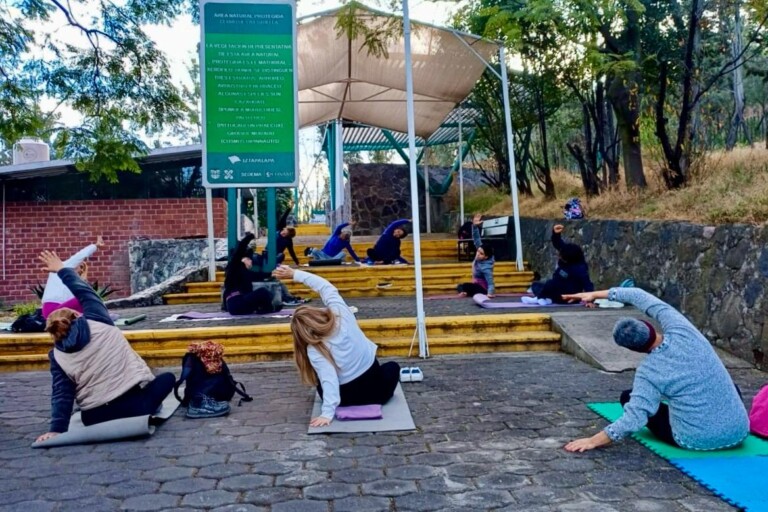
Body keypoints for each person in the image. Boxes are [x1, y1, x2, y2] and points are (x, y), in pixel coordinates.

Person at [562, 287, 749, 452]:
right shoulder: (684, 330)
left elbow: (634, 419)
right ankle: (725, 423)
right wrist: (593, 294)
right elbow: (638, 295)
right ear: (649, 326)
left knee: (628, 397)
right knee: (727, 385)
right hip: (740, 431)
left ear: (633, 349)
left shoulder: (648, 372)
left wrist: (593, 441)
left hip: (696, 440)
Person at [35, 250, 176, 443]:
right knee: (168, 378)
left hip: (93, 418)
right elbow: (85, 294)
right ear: (77, 315)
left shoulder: (57, 355)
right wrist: (62, 269)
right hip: (134, 407)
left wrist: (57, 430)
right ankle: (148, 403)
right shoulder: (99, 320)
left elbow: (62, 393)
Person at [273, 265, 401, 427]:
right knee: (392, 367)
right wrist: (294, 274)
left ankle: (335, 402)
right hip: (374, 393)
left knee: (322, 380)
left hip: (345, 399)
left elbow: (329, 379)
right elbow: (325, 287)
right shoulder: (341, 313)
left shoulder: (314, 348)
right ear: (317, 313)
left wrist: (327, 414)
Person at [522, 224, 593, 305]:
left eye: (560, 256)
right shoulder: (567, 252)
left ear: (568, 259)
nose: (559, 257)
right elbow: (559, 244)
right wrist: (556, 234)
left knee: (550, 283)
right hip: (556, 291)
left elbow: (588, 285)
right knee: (536, 285)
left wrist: (589, 301)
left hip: (569, 297)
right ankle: (547, 298)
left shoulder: (580, 269)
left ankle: (541, 298)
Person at [41, 235, 105, 319]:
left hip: (58, 311)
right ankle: (100, 316)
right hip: (52, 310)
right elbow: (80, 255)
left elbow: (78, 294)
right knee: (88, 297)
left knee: (85, 297)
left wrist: (83, 279)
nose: (80, 270)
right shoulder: (64, 266)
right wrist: (95, 246)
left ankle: (92, 317)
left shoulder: (70, 279)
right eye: (80, 266)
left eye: (82, 268)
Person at [222, 233, 281, 315]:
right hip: (235, 303)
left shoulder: (248, 273)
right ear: (244, 259)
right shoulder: (234, 267)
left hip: (243, 304)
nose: (251, 262)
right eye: (250, 260)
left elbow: (261, 275)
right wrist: (249, 237)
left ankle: (264, 309)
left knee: (264, 293)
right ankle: (268, 309)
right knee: (263, 292)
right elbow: (238, 252)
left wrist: (273, 273)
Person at [456, 213, 495, 298]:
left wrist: (490, 294)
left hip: (483, 288)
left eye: (481, 254)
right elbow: (476, 238)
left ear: (486, 257)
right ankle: (466, 292)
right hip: (476, 284)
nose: (478, 254)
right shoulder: (480, 249)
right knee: (460, 286)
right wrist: (474, 226)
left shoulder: (486, 267)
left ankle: (466, 292)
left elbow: (491, 282)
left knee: (466, 286)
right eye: (478, 251)